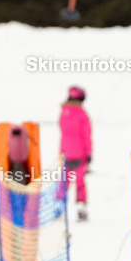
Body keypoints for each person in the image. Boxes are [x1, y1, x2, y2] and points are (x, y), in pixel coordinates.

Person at [58, 86, 93, 220]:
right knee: (80, 182)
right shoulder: (82, 114)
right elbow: (86, 135)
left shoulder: (63, 112)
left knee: (64, 181)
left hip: (65, 152)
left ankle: (58, 207)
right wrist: (89, 153)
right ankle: (81, 208)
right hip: (80, 153)